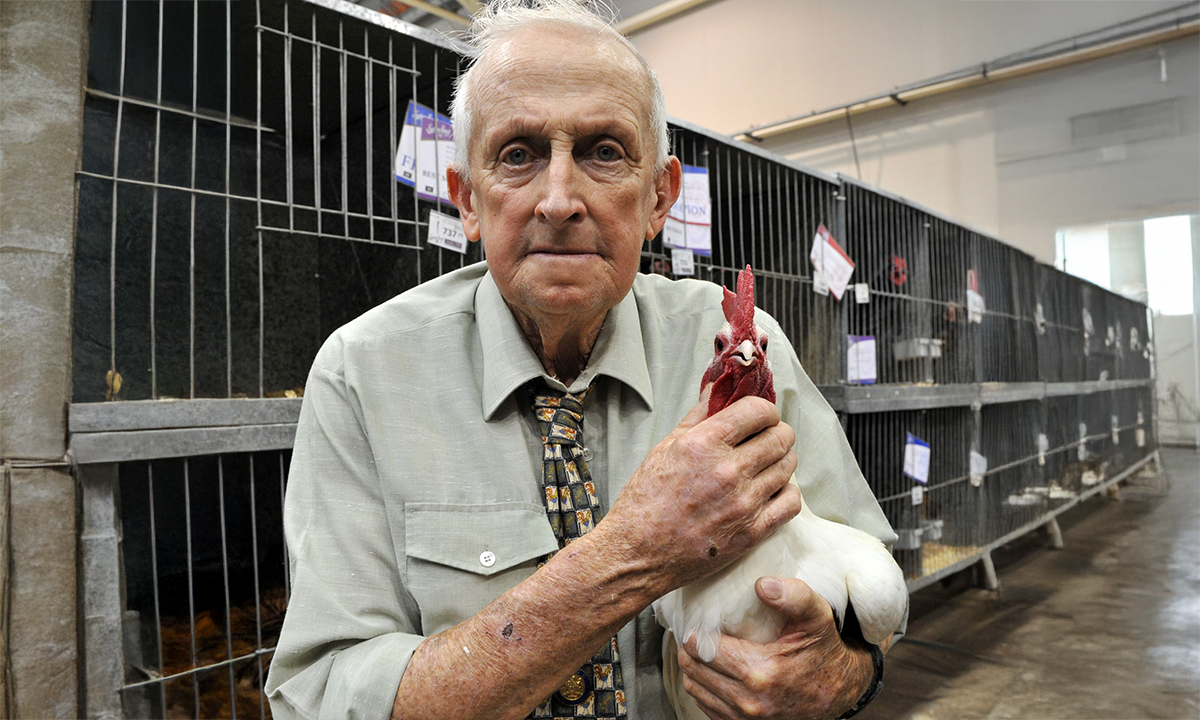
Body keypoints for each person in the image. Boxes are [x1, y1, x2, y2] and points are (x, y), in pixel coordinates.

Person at [265, 2, 900, 718]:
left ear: (659, 196)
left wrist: (840, 678)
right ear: (467, 200)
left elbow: (868, 612)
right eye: (518, 154)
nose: (559, 199)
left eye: (603, 151)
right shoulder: (363, 374)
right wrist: (630, 554)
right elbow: (317, 698)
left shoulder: (735, 349)